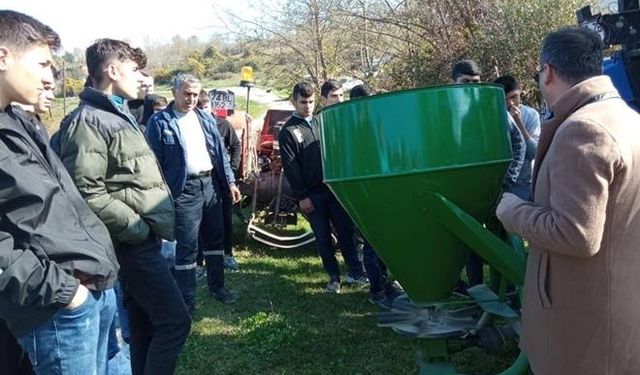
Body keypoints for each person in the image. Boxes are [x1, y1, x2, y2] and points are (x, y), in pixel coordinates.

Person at [496, 27, 640, 374]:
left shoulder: (583, 129)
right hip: (620, 312)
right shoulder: (629, 119)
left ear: (548, 71)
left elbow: (576, 234)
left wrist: (512, 211)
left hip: (583, 327)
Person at [52, 38, 190, 375]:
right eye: (133, 69)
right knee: (175, 322)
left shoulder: (117, 113)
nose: (139, 76)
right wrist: (138, 228)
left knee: (145, 325)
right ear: (113, 70)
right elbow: (87, 191)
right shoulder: (90, 121)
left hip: (139, 241)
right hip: (130, 244)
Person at [0, 11, 119, 375]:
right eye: (42, 64)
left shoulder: (17, 121)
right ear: (3, 57)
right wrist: (62, 291)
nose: (51, 76)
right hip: (56, 306)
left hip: (92, 289)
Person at [146, 74, 241, 310]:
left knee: (215, 238)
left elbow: (220, 154)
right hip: (184, 190)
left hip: (210, 185)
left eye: (195, 94)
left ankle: (217, 287)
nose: (191, 99)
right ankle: (186, 299)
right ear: (175, 92)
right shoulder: (160, 122)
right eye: (187, 93)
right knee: (187, 246)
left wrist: (230, 182)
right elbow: (153, 163)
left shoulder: (206, 119)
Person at [280, 81, 368, 294]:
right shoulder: (289, 131)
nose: (307, 106)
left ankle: (356, 271)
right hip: (311, 194)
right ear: (294, 101)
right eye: (302, 102)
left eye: (310, 101)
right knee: (323, 236)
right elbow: (291, 167)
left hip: (333, 189)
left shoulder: (323, 121)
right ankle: (334, 277)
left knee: (347, 230)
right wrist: (302, 196)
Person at [451, 60, 526, 288]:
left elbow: (519, 143)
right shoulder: (447, 108)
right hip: (465, 190)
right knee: (472, 240)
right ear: (453, 82)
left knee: (501, 241)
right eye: (465, 82)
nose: (472, 87)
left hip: (495, 189)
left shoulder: (492, 105)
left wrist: (507, 181)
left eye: (475, 82)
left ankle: (510, 290)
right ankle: (476, 289)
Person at [349, 84, 405, 307]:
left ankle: (384, 282)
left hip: (382, 190)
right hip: (364, 192)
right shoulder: (352, 128)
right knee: (372, 244)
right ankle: (377, 290)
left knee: (383, 242)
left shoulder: (374, 125)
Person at [197, 90, 242, 271]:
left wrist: (231, 170)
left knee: (224, 218)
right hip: (200, 179)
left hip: (221, 179)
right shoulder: (190, 126)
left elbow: (236, 146)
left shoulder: (223, 125)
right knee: (199, 221)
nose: (202, 111)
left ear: (211, 106)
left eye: (205, 107)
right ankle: (199, 261)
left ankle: (228, 254)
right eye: (199, 108)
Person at [494, 75, 541, 200]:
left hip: (524, 185)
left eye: (514, 97)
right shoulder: (493, 116)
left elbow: (534, 152)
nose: (511, 103)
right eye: (506, 99)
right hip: (499, 184)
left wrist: (519, 123)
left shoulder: (531, 115)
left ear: (520, 92)